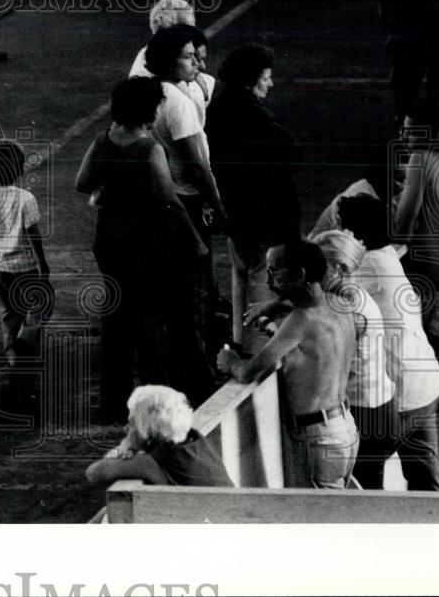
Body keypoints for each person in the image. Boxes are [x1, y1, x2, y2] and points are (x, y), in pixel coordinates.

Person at [76, 77, 213, 421]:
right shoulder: (149, 148)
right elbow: (170, 202)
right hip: (147, 246)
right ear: (147, 110)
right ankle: (156, 404)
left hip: (109, 242)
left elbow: (82, 182)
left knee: (117, 320)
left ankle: (114, 402)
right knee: (152, 324)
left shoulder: (102, 141)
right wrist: (196, 242)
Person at [217, 239, 359, 489]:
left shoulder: (300, 320)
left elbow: (248, 372)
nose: (270, 282)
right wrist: (277, 306)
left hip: (317, 437)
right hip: (344, 427)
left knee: (316, 522)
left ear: (298, 274)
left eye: (275, 272)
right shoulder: (339, 304)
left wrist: (230, 362)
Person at [337, 194, 439, 491]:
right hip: (425, 385)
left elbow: (324, 296)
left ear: (352, 234)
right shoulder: (385, 254)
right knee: (428, 481)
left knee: (368, 483)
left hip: (399, 396)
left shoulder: (365, 267)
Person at [205, 44, 302, 349]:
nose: (270, 84)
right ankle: (259, 348)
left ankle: (240, 339)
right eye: (266, 77)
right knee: (263, 277)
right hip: (264, 214)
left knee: (240, 273)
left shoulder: (216, 109)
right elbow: (291, 154)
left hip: (235, 210)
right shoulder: (257, 117)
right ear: (251, 79)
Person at [146, 26, 226, 361]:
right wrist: (217, 205)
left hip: (166, 195)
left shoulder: (157, 94)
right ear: (169, 61)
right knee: (196, 285)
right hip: (188, 196)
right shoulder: (177, 103)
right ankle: (199, 361)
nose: (196, 62)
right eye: (188, 56)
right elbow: (196, 162)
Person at [310, 230, 399, 489]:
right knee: (367, 490)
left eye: (318, 266)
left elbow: (328, 361)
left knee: (364, 497)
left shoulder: (350, 308)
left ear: (339, 267)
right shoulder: (350, 295)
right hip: (379, 407)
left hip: (368, 413)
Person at [0, 140, 51, 366]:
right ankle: (26, 339)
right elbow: (33, 234)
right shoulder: (25, 198)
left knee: (8, 313)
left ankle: (13, 357)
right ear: (18, 169)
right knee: (40, 302)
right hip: (26, 267)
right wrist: (43, 264)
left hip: (0, 268)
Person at [85, 385, 233, 487]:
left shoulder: (147, 462)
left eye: (132, 423)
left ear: (147, 429)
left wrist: (127, 444)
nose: (126, 428)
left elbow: (94, 473)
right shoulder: (199, 441)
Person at [394, 97, 439, 354]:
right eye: (402, 129)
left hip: (438, 279)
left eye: (411, 131)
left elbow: (403, 225)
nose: (403, 137)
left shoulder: (421, 159)